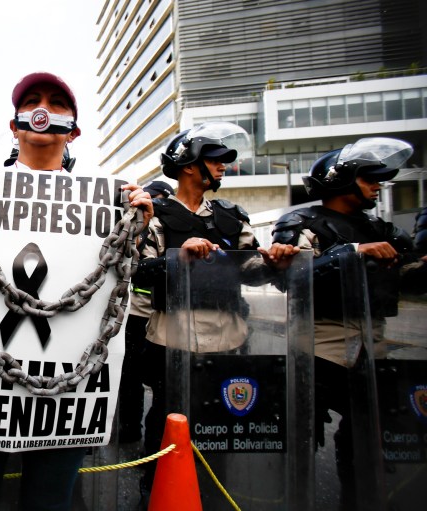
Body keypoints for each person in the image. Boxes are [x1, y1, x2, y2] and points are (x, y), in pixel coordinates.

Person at [0, 71, 153, 511]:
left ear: (74, 128)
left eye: (55, 102)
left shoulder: (107, 198)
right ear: (14, 124)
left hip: (64, 393)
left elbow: (120, 275)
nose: (42, 109)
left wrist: (138, 221)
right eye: (31, 101)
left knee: (50, 502)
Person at [134, 122, 298, 502]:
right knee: (166, 416)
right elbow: (139, 270)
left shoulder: (231, 215)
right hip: (171, 334)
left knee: (220, 419)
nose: (224, 166)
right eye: (215, 159)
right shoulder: (154, 214)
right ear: (190, 165)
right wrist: (181, 258)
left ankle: (213, 489)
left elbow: (250, 271)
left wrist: (276, 262)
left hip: (227, 334)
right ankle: (152, 487)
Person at [271, 137, 415, 507]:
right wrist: (352, 252)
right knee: (300, 439)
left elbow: (410, 270)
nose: (377, 185)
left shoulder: (380, 229)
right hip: (318, 346)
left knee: (366, 441)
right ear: (343, 180)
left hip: (373, 345)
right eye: (369, 179)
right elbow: (290, 278)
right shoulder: (301, 222)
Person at [118, 180, 173, 443]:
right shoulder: (138, 225)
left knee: (160, 383)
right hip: (137, 314)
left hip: (163, 317)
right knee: (131, 377)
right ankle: (129, 429)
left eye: (160, 198)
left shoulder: (166, 227)